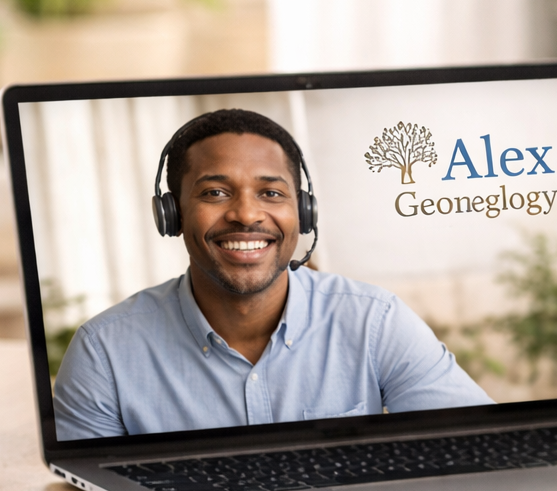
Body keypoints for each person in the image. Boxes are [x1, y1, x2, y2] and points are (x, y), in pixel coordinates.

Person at [54, 109, 492, 440]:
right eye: (215, 192)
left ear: (302, 212)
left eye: (271, 192)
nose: (246, 213)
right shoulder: (104, 353)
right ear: (171, 213)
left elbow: (483, 445)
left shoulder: (374, 321)